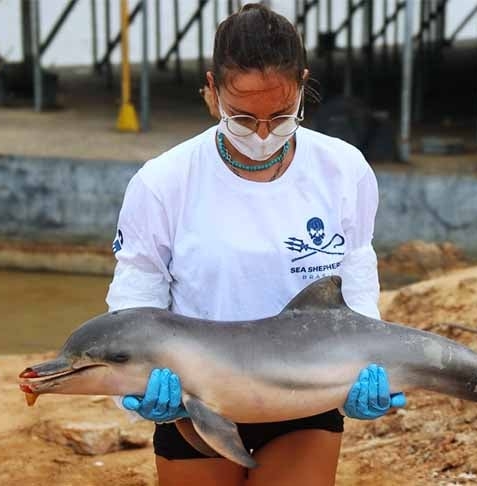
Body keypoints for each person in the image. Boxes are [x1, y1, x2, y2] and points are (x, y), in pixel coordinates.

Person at [106, 4, 405, 486]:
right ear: (211, 91)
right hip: (193, 397)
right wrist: (137, 385)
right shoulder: (163, 182)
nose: (263, 134)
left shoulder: (343, 170)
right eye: (242, 118)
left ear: (303, 84)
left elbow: (355, 272)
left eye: (283, 116)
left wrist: (364, 356)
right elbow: (136, 294)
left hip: (305, 391)